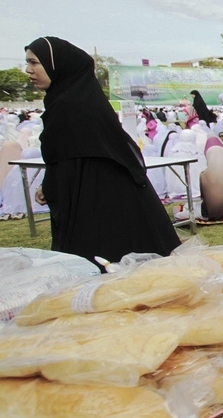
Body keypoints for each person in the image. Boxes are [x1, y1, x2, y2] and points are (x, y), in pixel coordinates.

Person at [25, 37, 180, 266]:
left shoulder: (69, 107)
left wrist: (50, 186)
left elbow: (69, 162)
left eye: (34, 62)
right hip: (108, 203)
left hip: (92, 210)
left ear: (58, 65)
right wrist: (48, 185)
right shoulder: (79, 102)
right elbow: (67, 158)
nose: (29, 70)